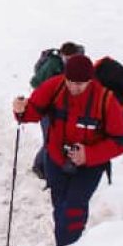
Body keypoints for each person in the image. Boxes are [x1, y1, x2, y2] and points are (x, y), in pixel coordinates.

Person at [12, 54, 123, 246]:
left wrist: (89, 155)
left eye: (80, 84)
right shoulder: (54, 87)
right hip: (56, 160)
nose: (74, 88)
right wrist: (20, 110)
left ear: (90, 80)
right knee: (60, 209)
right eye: (70, 82)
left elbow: (119, 142)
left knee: (73, 210)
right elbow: (32, 112)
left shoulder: (105, 100)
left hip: (89, 167)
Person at [28, 42, 86, 178]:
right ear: (62, 55)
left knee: (59, 140)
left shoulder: (80, 63)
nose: (70, 61)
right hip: (48, 109)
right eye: (67, 59)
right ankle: (39, 167)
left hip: (63, 109)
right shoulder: (52, 65)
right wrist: (49, 90)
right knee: (50, 140)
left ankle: (50, 166)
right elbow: (35, 82)